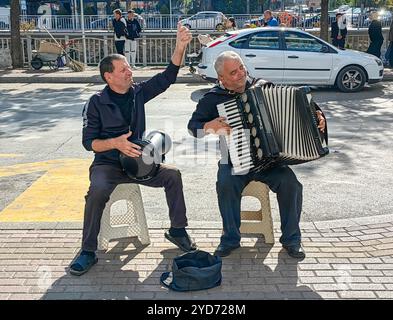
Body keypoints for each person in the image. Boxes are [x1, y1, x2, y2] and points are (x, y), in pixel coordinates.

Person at [70, 23, 197, 276]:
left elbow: (167, 77)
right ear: (109, 76)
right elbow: (89, 143)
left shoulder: (138, 92)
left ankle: (178, 230)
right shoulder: (96, 103)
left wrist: (180, 46)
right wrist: (116, 143)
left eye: (129, 67)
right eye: (124, 69)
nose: (130, 71)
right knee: (96, 191)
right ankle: (87, 251)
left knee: (172, 175)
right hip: (107, 164)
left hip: (141, 161)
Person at [187, 51, 327, 259]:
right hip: (234, 160)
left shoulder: (263, 86)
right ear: (221, 78)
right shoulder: (212, 99)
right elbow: (193, 128)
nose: (241, 74)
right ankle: (230, 239)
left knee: (291, 184)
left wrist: (319, 117)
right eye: (233, 72)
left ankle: (292, 239)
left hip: (270, 161)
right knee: (225, 184)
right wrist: (208, 126)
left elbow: (305, 108)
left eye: (242, 68)